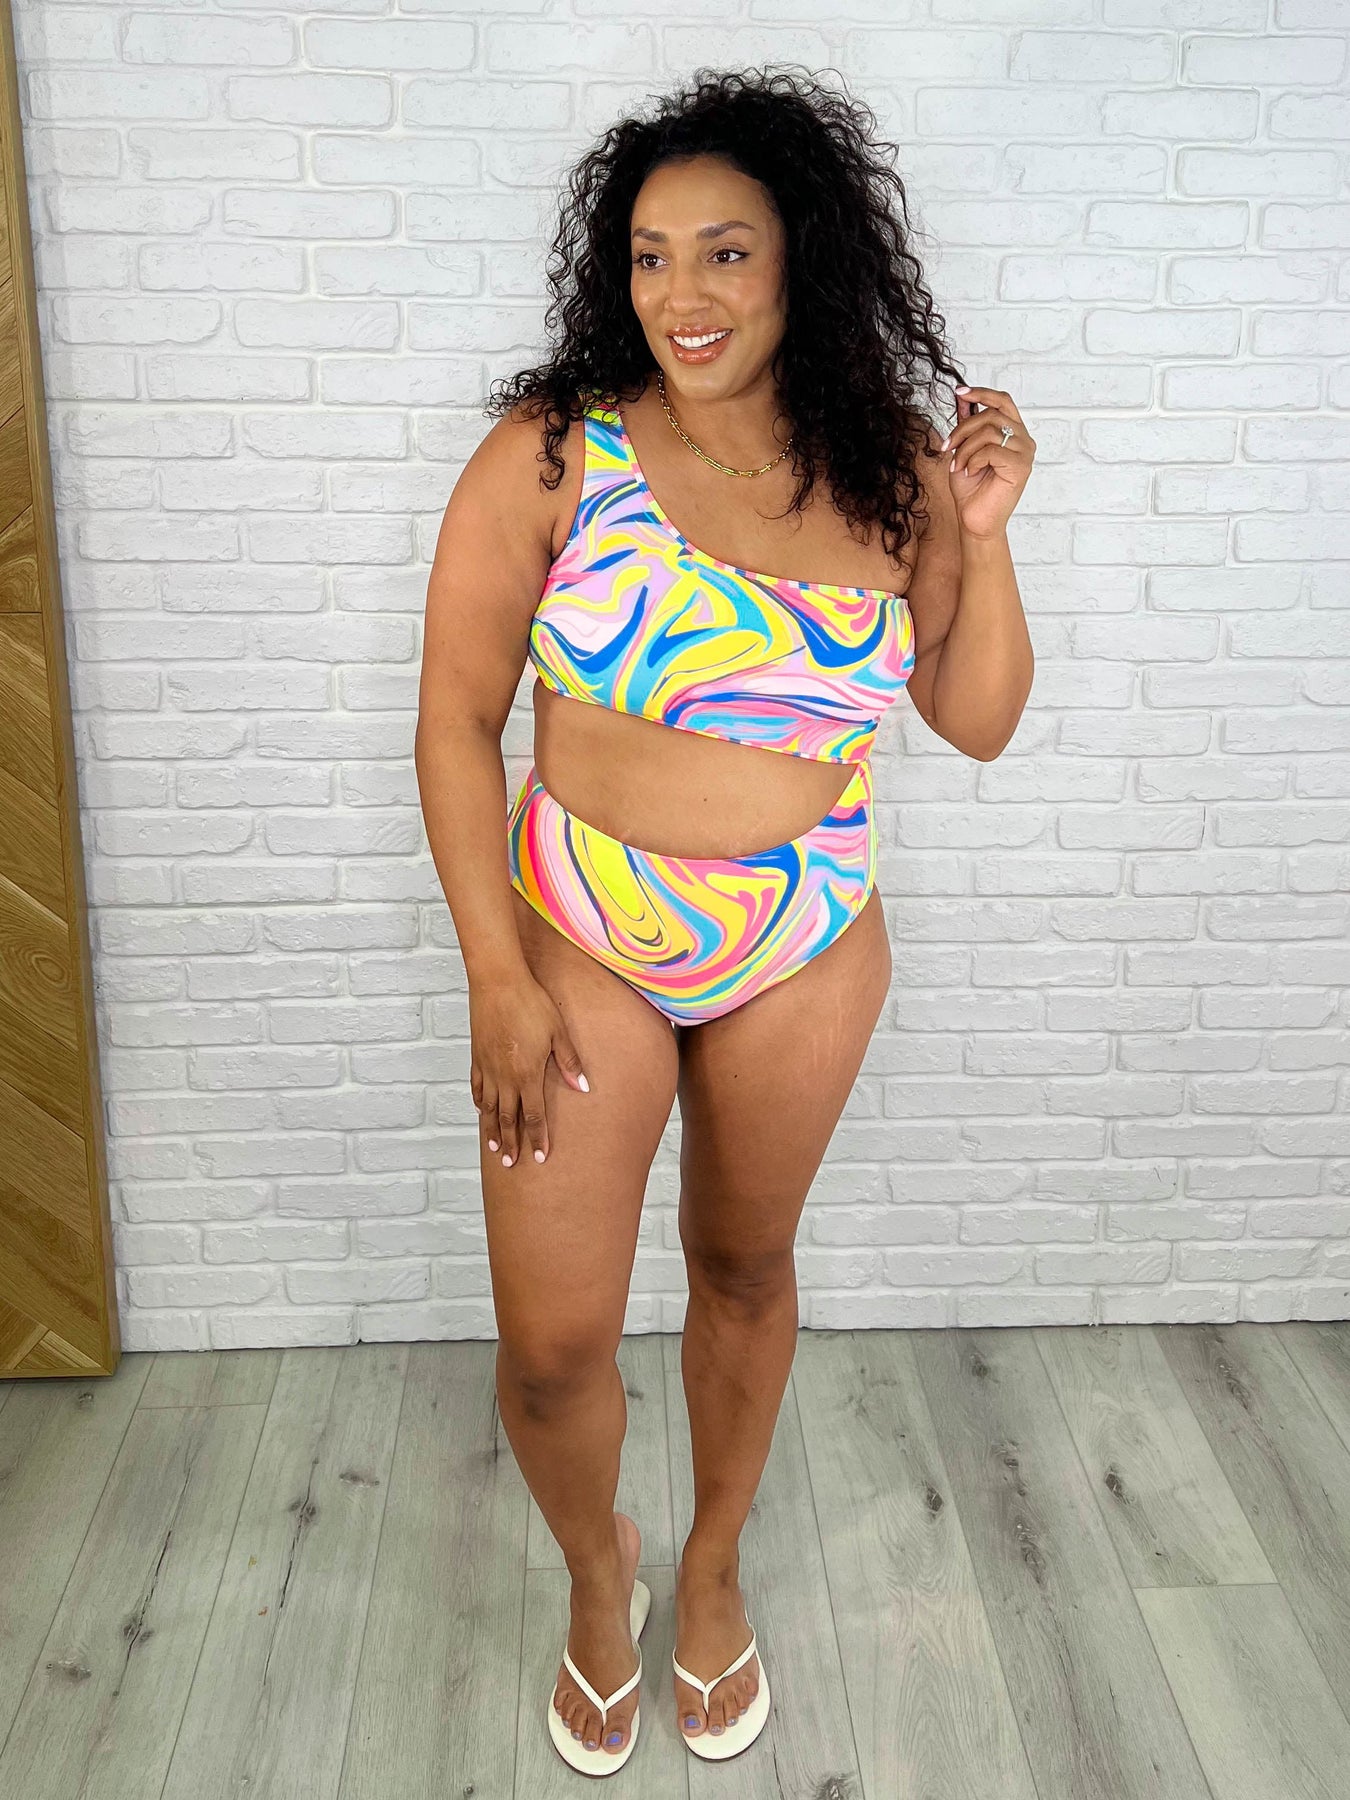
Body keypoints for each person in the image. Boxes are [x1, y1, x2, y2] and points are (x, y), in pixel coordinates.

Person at [415, 67, 1035, 1776]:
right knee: (553, 1345)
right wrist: (493, 975)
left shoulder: (894, 473)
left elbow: (976, 719)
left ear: (800, 262)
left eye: (723, 253)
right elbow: (454, 720)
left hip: (800, 943)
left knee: (742, 1269)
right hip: (579, 933)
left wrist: (984, 540)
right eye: (647, 256)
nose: (678, 294)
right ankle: (594, 1572)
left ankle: (708, 1568)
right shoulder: (557, 452)